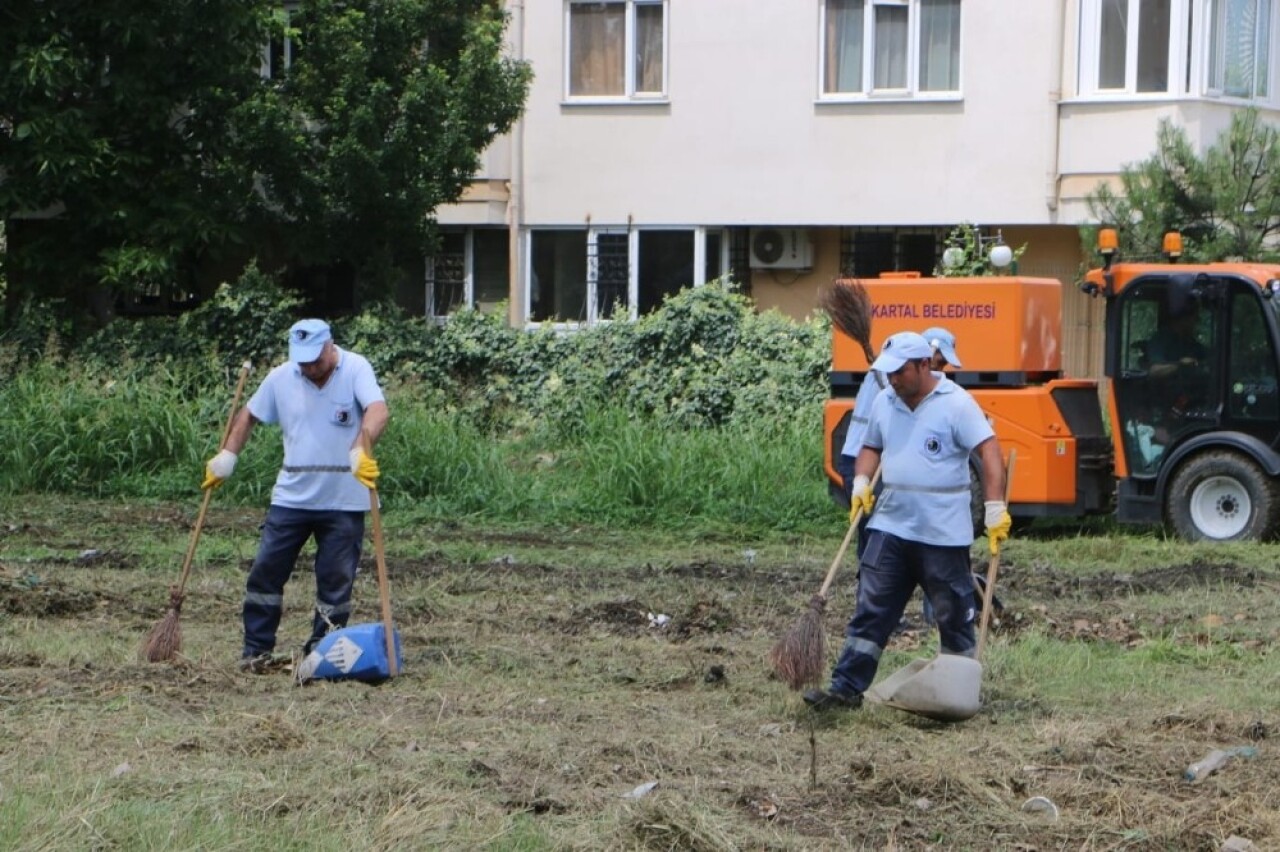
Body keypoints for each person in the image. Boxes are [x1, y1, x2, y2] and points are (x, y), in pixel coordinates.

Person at [804, 331, 1010, 711]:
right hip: (891, 525)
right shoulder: (886, 400)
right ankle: (845, 689)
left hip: (943, 534)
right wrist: (863, 482)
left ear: (922, 365)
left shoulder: (956, 404)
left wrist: (995, 508)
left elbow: (989, 450)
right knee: (872, 611)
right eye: (889, 372)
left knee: (953, 615)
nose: (893, 379)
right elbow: (871, 445)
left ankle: (957, 693)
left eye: (899, 372)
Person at [202, 319, 390, 672]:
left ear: (330, 347)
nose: (309, 368)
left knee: (335, 582)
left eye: (315, 361)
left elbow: (378, 412)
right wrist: (226, 457)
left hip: (343, 501)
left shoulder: (356, 368)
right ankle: (256, 652)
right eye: (302, 362)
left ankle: (322, 654)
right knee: (265, 573)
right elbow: (248, 415)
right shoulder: (281, 376)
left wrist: (360, 449)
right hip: (292, 498)